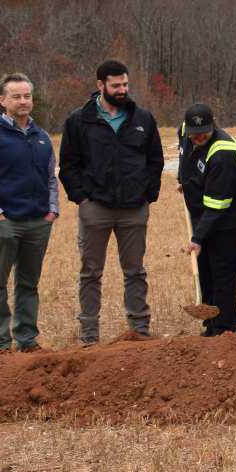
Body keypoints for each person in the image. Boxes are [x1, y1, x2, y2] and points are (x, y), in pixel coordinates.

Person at [58, 60, 163, 344]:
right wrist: (81, 198)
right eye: (116, 85)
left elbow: (155, 160)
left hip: (134, 208)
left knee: (135, 271)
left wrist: (148, 195)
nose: (122, 90)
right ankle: (90, 334)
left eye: (125, 84)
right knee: (91, 273)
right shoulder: (79, 120)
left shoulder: (142, 118)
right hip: (96, 208)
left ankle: (139, 330)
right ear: (100, 85)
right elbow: (68, 164)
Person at [0, 74, 59, 353]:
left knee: (28, 285)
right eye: (16, 96)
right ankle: (1, 344)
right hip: (3, 225)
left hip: (37, 223)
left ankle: (27, 340)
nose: (23, 101)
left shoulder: (41, 136)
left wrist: (52, 211)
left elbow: (51, 179)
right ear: (2, 100)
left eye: (27, 95)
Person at [176, 103, 236, 336]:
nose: (198, 137)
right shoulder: (185, 132)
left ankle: (225, 330)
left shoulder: (223, 154)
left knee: (222, 276)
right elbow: (183, 149)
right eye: (194, 133)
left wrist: (198, 237)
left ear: (215, 123)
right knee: (205, 273)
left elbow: (218, 206)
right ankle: (210, 324)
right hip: (202, 214)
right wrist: (183, 178)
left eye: (204, 132)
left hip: (225, 221)